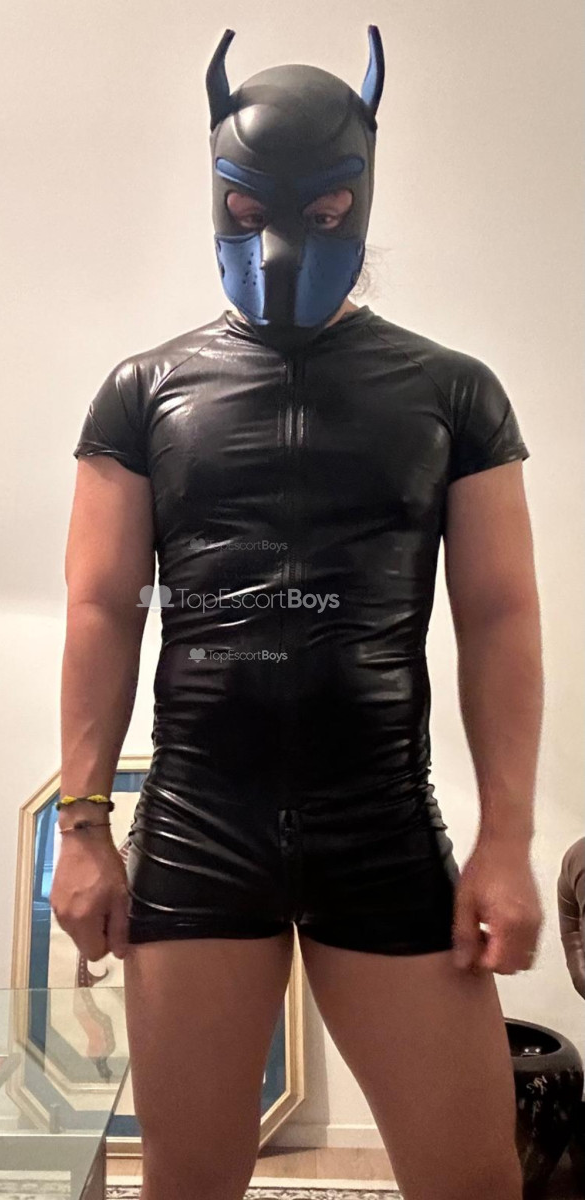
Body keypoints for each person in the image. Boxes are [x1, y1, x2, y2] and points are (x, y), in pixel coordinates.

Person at [50, 24, 544, 1200]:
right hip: (197, 825)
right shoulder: (142, 390)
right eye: (247, 207)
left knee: (472, 1182)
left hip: (378, 821)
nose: (281, 239)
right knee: (188, 1182)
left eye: (323, 211)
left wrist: (505, 843)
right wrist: (81, 827)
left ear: (358, 197)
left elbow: (498, 615)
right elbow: (101, 607)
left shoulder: (453, 393)